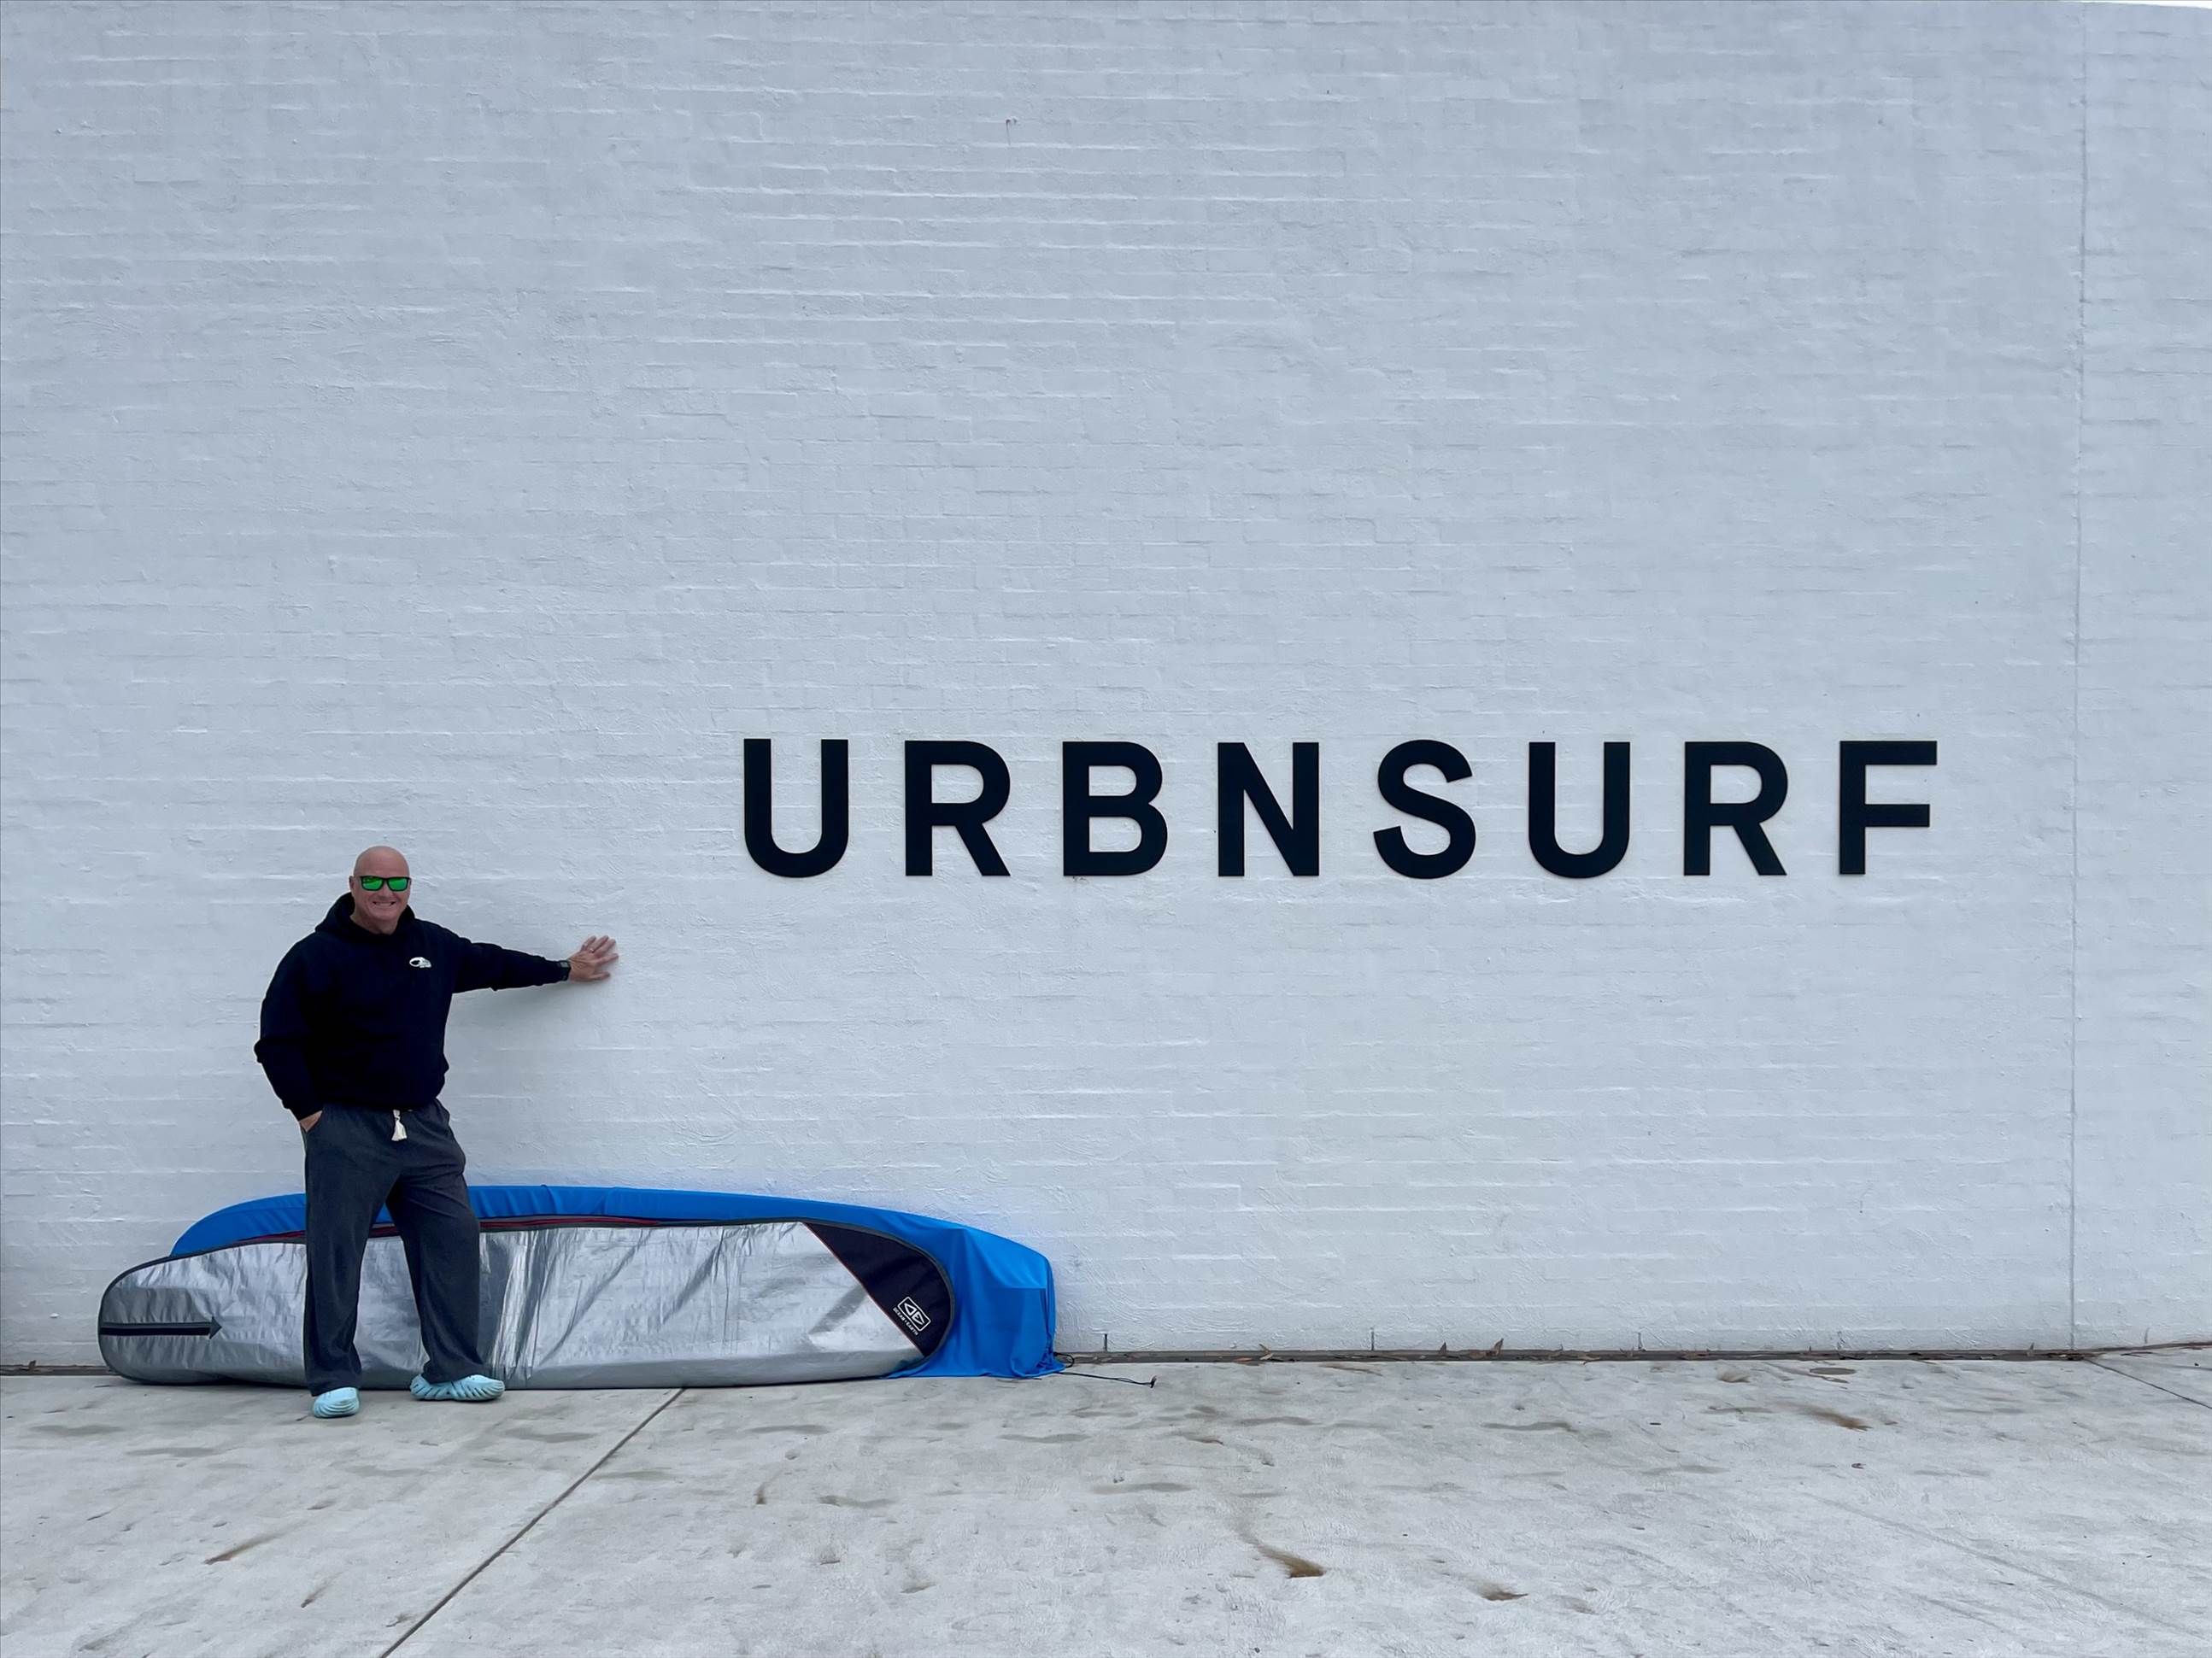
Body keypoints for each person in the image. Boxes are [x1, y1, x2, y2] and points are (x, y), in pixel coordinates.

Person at [255, 846, 617, 1419]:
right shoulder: (315, 956)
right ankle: (332, 1377)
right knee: (337, 1252)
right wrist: (310, 1114)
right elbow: (276, 1041)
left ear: (409, 886)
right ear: (352, 884)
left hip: (424, 1125)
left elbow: (493, 965)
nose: (385, 892)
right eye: (373, 881)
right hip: (346, 1127)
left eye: (396, 881)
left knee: (452, 1236)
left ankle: (451, 1369)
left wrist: (564, 968)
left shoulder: (432, 946)